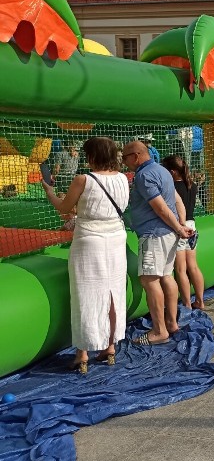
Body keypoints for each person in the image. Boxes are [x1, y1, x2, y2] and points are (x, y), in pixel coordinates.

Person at [43, 137, 130, 373]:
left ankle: (82, 353)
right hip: (116, 238)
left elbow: (63, 208)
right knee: (114, 292)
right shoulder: (123, 178)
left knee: (86, 294)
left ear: (92, 156)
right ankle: (110, 347)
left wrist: (50, 191)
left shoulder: (84, 179)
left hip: (89, 240)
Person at [122, 140, 192, 346]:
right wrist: (180, 224)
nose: (124, 161)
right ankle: (171, 323)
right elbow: (177, 199)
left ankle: (159, 330)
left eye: (125, 157)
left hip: (153, 234)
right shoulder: (162, 171)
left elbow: (160, 208)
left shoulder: (144, 175)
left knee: (149, 280)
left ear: (135, 156)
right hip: (168, 233)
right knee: (166, 276)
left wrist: (180, 228)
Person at [162, 155, 205, 310]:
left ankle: (187, 303)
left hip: (180, 226)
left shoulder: (172, 188)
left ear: (172, 172)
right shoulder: (191, 185)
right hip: (192, 224)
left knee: (180, 269)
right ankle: (200, 300)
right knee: (193, 266)